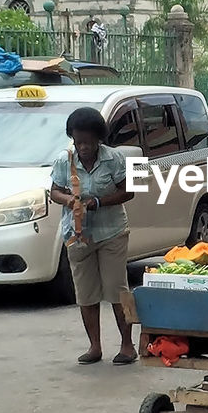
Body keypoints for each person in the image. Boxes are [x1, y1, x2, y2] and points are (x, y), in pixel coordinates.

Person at [49, 107, 137, 366]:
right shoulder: (64, 161)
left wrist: (97, 202)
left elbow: (128, 192)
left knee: (116, 289)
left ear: (99, 138)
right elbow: (54, 191)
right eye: (78, 142)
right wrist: (70, 200)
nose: (83, 147)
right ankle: (94, 347)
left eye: (88, 142)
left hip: (111, 232)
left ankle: (127, 345)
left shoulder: (114, 159)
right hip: (78, 235)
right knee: (85, 293)